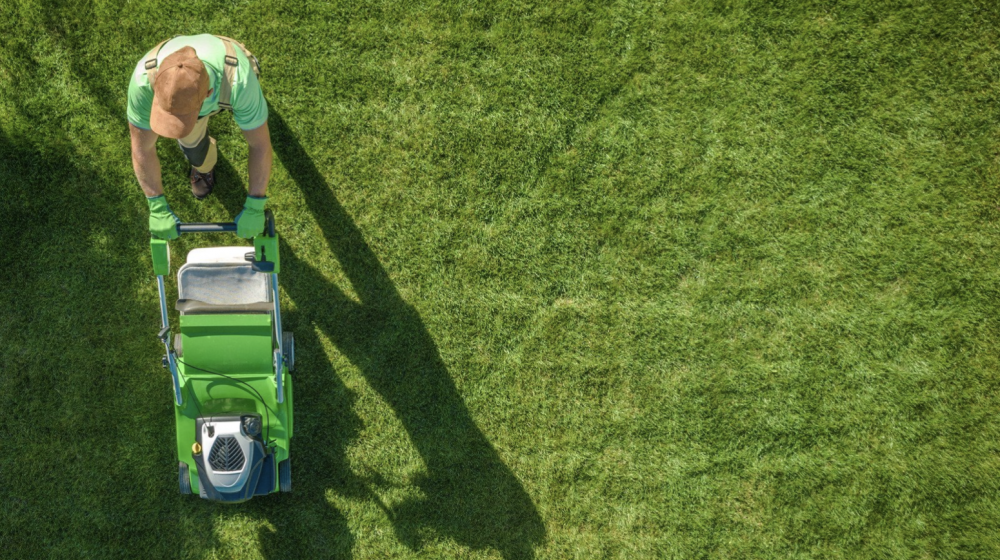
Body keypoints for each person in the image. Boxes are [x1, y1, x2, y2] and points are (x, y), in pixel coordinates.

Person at [127, 34, 272, 239]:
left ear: (208, 93)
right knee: (194, 150)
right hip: (210, 93)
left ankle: (248, 86)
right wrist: (156, 205)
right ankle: (203, 167)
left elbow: (259, 145)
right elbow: (141, 148)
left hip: (229, 77)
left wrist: (255, 205)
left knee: (253, 113)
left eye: (181, 117)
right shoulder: (143, 82)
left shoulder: (239, 81)